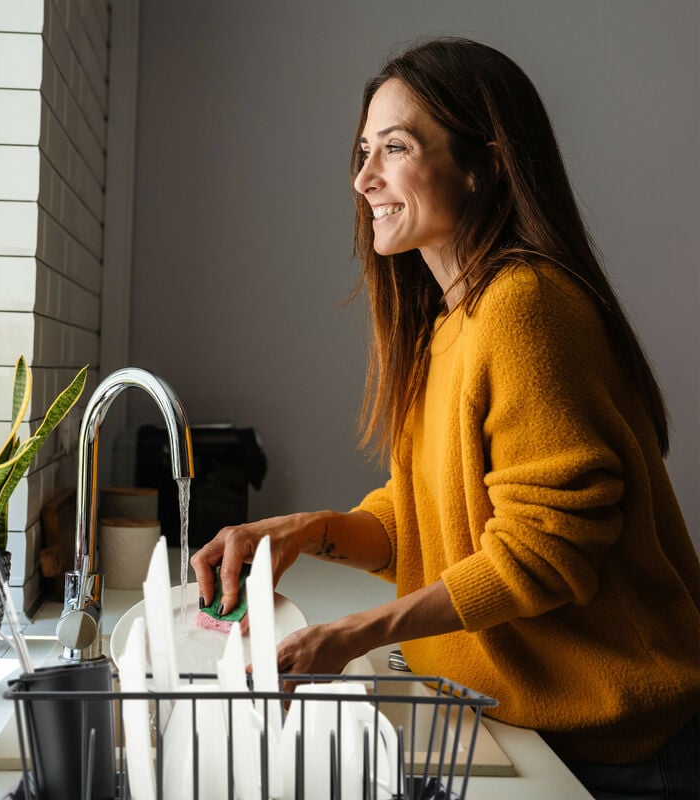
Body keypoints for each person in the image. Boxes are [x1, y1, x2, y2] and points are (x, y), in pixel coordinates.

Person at [190, 37, 700, 799]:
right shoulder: (447, 326)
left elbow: (542, 553)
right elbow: (425, 520)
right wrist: (303, 530)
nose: (364, 178)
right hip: (523, 720)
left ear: (483, 164)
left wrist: (354, 633)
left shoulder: (525, 305)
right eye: (364, 150)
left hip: (621, 747)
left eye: (395, 148)